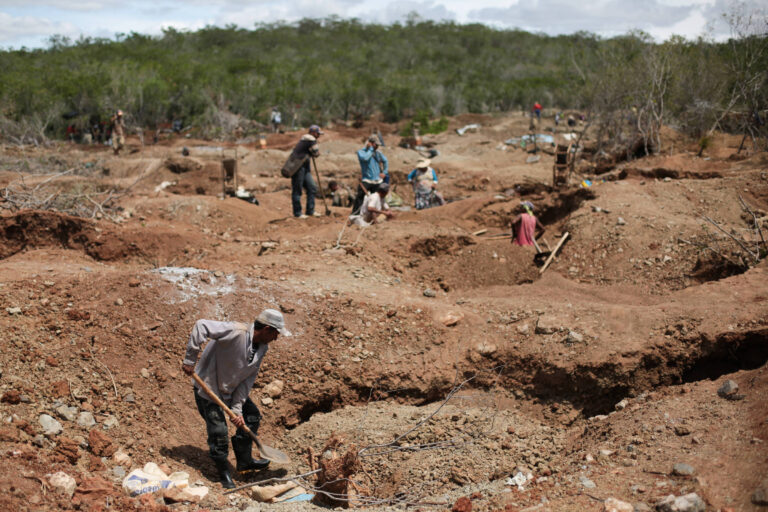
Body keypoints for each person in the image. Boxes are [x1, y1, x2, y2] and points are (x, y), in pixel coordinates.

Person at [182, 309, 291, 489]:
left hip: (231, 390)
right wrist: (189, 359)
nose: (276, 338)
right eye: (275, 334)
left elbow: (247, 380)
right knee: (219, 433)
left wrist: (237, 409)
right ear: (266, 329)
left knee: (252, 416)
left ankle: (245, 461)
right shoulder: (236, 331)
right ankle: (223, 472)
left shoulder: (262, 348)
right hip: (209, 389)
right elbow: (201, 325)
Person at [289, 125, 322, 218]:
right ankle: (297, 213)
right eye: (318, 133)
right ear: (312, 133)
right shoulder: (310, 139)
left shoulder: (306, 139)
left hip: (305, 167)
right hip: (298, 167)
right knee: (297, 190)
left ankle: (310, 210)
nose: (318, 135)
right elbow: (316, 153)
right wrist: (315, 153)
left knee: (312, 187)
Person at [352, 136, 389, 214]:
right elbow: (365, 158)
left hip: (377, 180)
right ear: (371, 144)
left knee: (377, 198)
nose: (377, 147)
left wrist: (384, 172)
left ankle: (377, 214)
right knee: (360, 197)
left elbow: (385, 161)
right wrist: (371, 149)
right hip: (367, 180)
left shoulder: (378, 153)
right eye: (376, 145)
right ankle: (355, 214)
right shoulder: (361, 152)